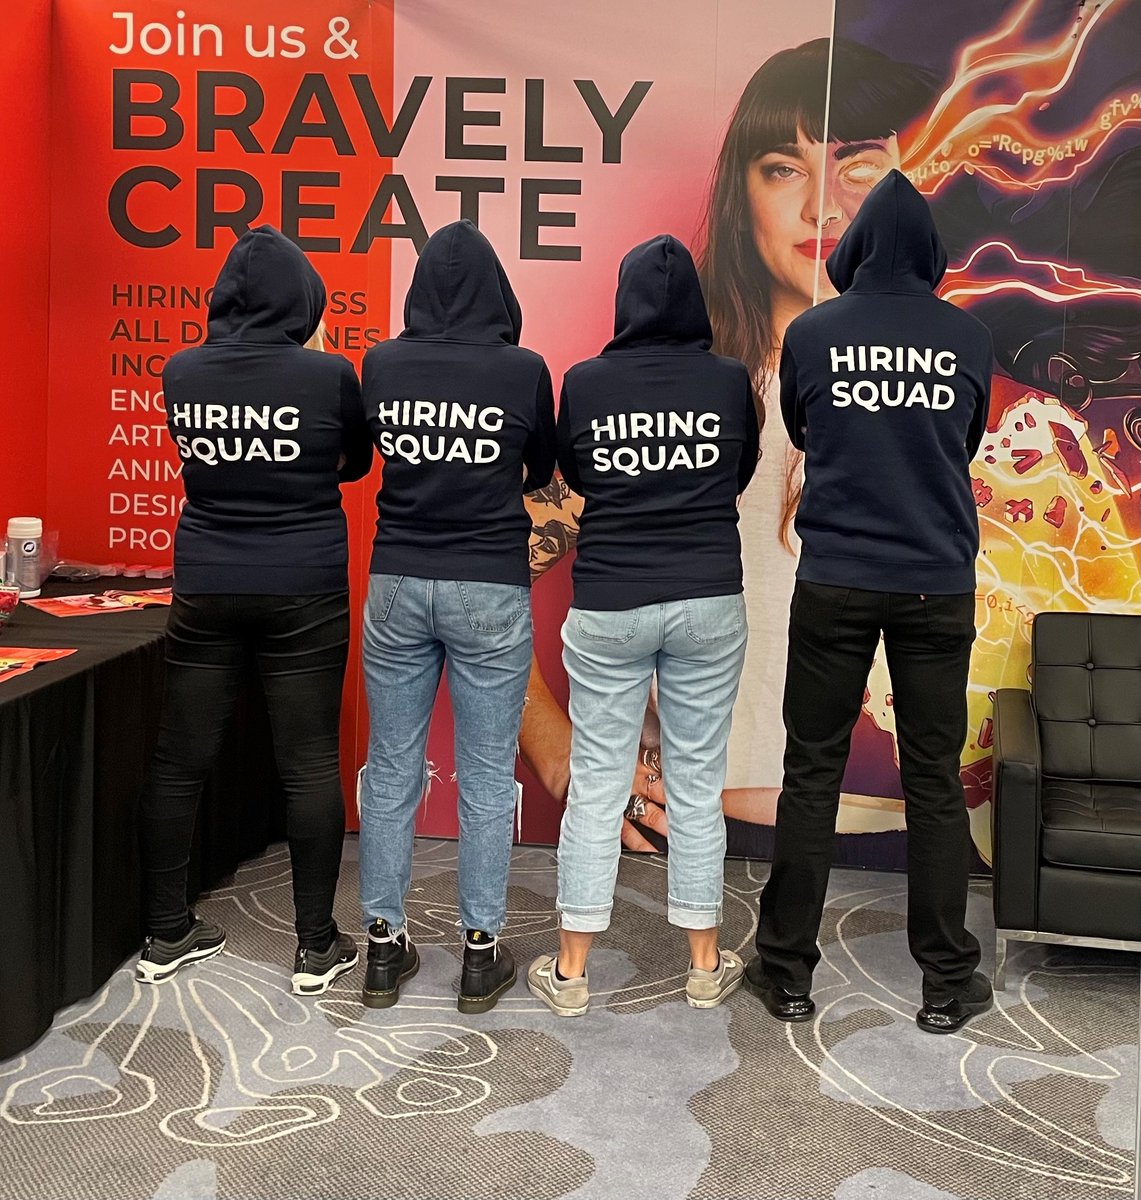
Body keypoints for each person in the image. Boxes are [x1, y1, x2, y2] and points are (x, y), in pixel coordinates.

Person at [516, 38, 939, 848]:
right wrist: (558, 750)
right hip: (691, 832)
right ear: (740, 192)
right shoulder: (684, 392)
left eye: (858, 166)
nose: (823, 208)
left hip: (897, 846)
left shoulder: (950, 390)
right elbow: (483, 571)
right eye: (782, 168)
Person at [743, 171, 994, 1034]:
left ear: (852, 249)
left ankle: (786, 972)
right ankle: (946, 981)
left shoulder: (813, 332)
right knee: (932, 779)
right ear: (929, 252)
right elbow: (963, 441)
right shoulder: (966, 337)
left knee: (810, 772)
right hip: (934, 582)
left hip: (836, 579)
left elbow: (803, 431)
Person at [137, 225, 373, 995]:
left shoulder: (181, 371)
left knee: (178, 762)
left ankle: (165, 933)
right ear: (303, 299)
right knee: (308, 763)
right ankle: (315, 947)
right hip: (304, 585)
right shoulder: (329, 374)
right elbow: (355, 463)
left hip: (206, 582)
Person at [527, 235, 759, 1017]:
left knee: (596, 784)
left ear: (623, 301)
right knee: (696, 782)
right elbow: (736, 473)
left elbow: (576, 474)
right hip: (706, 600)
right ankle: (704, 965)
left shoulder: (586, 383)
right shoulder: (727, 381)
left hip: (611, 603)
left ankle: (570, 974)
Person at [357, 220, 556, 1014]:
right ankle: (479, 953)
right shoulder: (522, 369)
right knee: (484, 775)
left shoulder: (382, 362)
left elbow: (370, 453)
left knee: (390, 767)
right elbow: (540, 470)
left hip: (397, 580)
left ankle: (381, 947)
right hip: (487, 585)